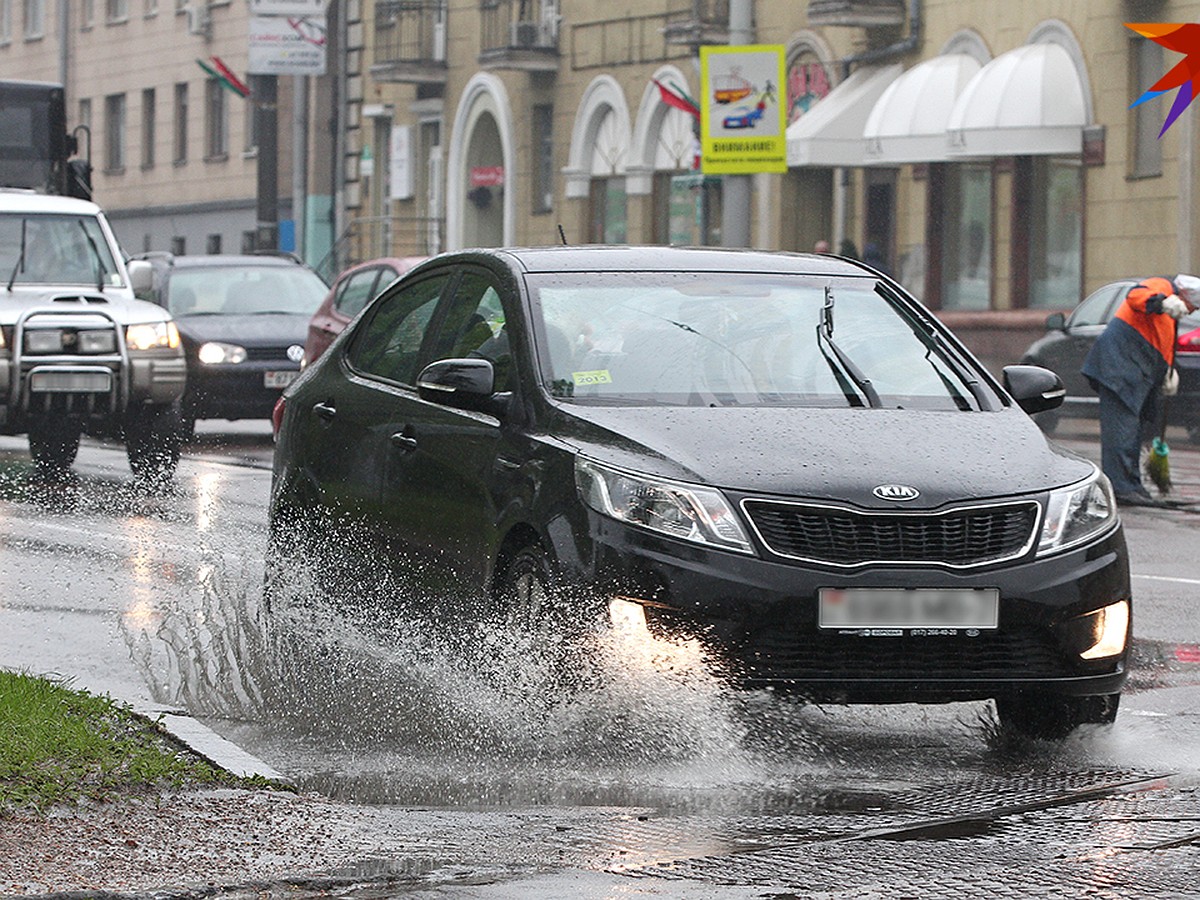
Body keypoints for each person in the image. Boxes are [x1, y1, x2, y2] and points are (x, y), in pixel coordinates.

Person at [1081, 274, 1198, 506]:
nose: (1191, 312)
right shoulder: (1162, 286)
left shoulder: (1171, 317)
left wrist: (1167, 372)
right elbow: (1136, 295)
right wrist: (1162, 301)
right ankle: (1120, 487)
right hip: (1119, 369)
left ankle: (1133, 485)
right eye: (1192, 307)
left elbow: (1158, 341)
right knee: (1121, 430)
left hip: (1135, 373)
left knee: (1134, 431)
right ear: (1184, 295)